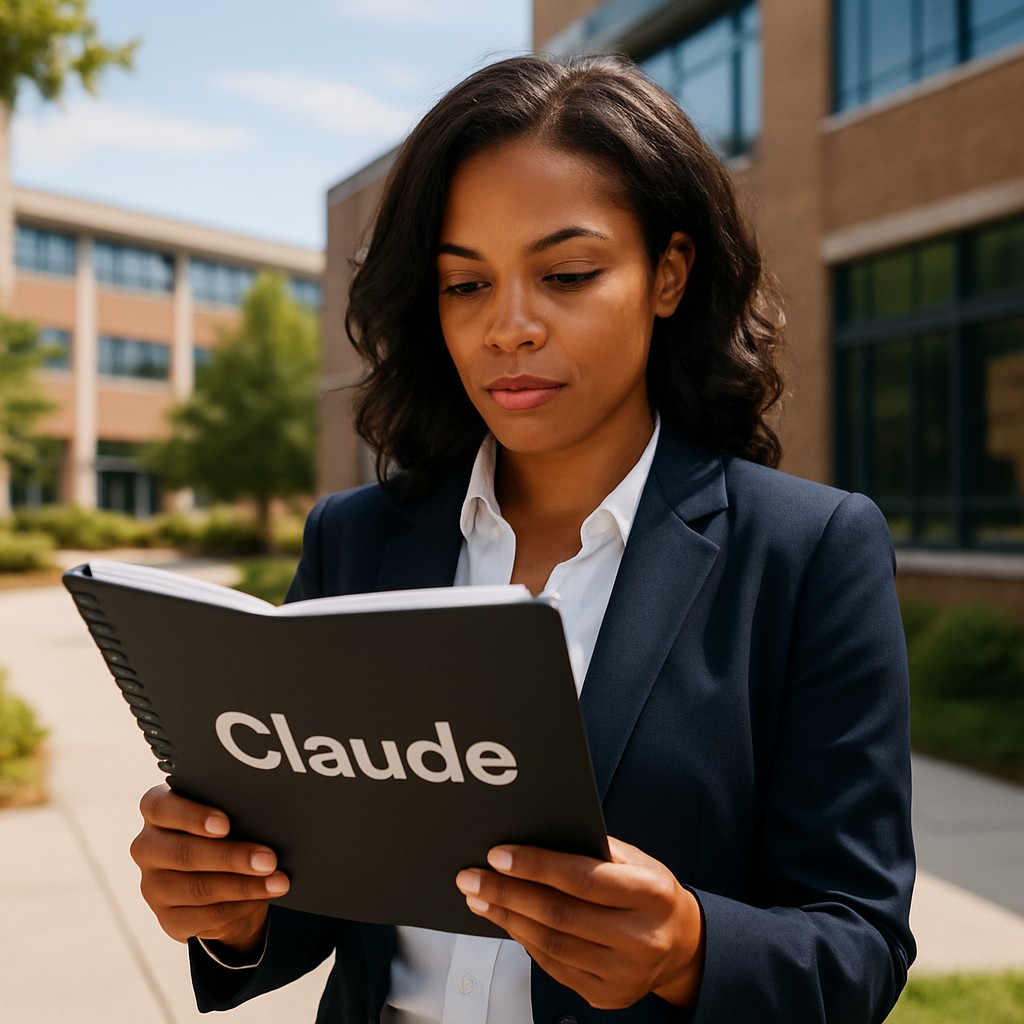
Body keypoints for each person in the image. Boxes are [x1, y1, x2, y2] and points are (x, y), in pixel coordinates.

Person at [129, 54, 916, 1023]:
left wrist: (687, 948)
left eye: (567, 274)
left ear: (668, 273)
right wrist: (228, 904)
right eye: (465, 285)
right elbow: (316, 895)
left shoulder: (810, 554)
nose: (507, 327)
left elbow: (859, 943)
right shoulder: (357, 541)